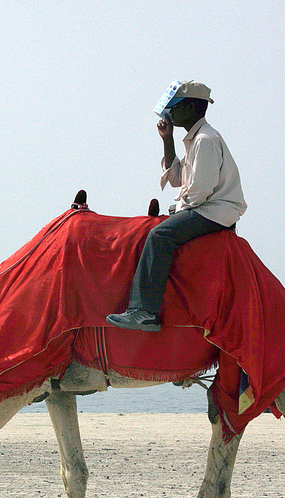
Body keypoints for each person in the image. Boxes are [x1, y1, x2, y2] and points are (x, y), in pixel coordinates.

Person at [106, 80, 247, 332]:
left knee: (159, 235)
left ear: (192, 107)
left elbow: (200, 190)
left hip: (213, 210)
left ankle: (144, 311)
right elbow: (176, 179)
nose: (170, 111)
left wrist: (179, 210)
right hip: (206, 206)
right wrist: (167, 139)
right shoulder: (196, 140)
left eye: (176, 106)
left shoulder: (205, 140)